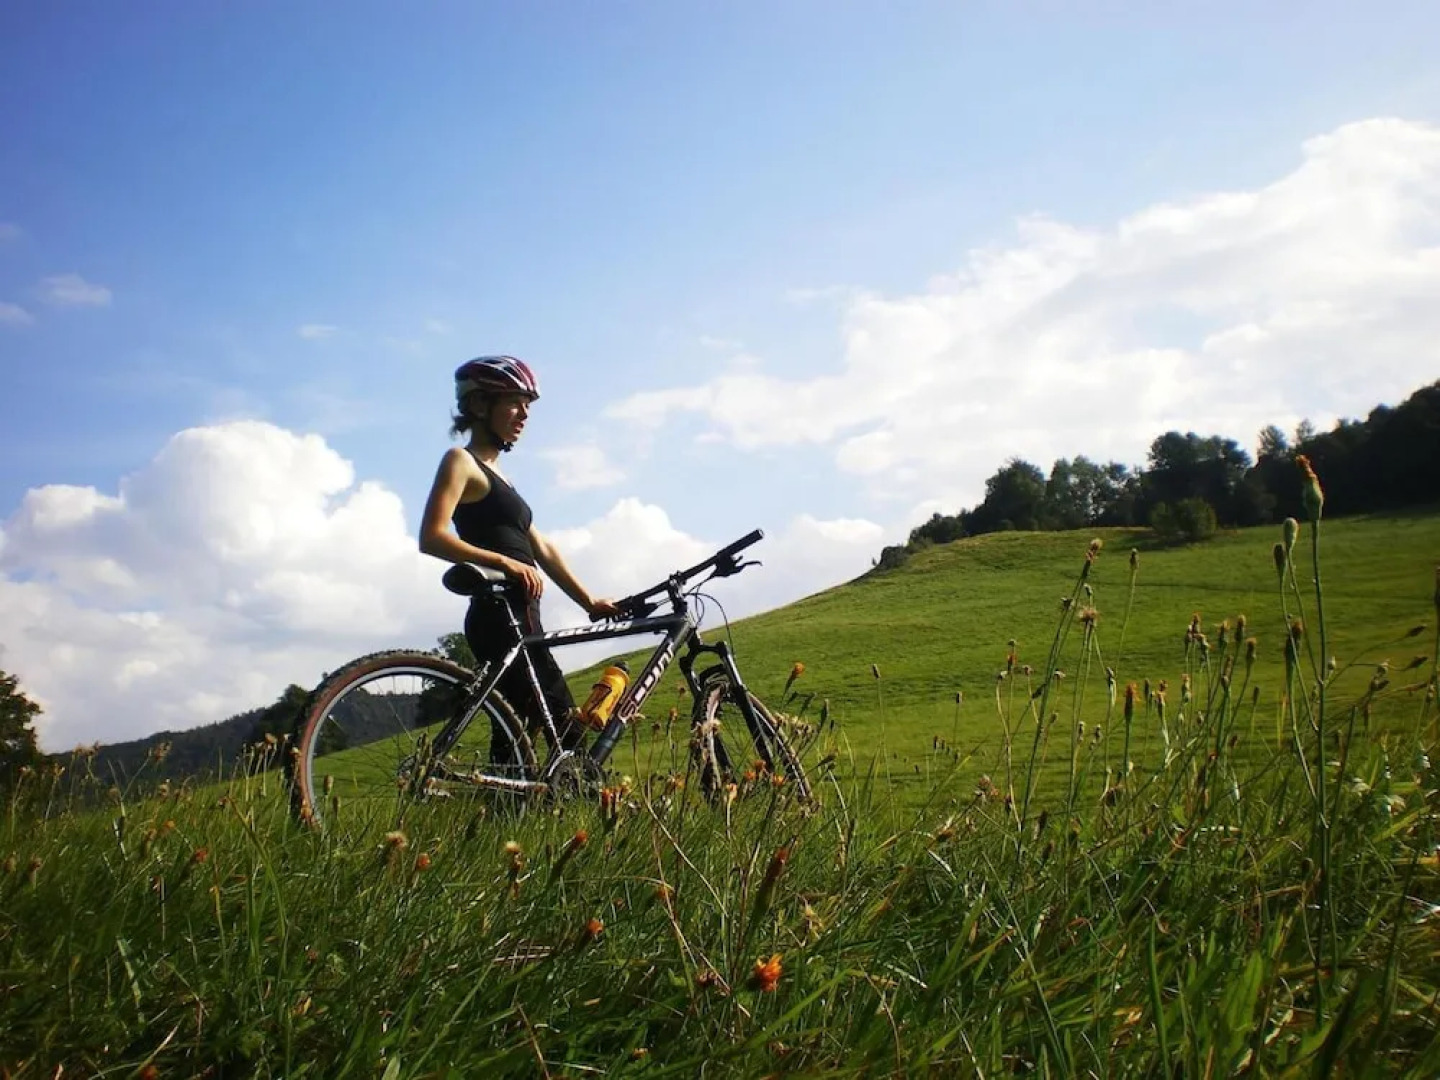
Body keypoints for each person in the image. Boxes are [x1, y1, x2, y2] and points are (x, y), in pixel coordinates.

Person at [419, 355, 619, 752]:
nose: (524, 414)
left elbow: (541, 547)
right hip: (501, 612)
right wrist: (504, 562)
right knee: (565, 727)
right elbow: (433, 537)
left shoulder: (502, 479)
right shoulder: (461, 461)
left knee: (516, 731)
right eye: (514, 401)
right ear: (479, 405)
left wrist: (589, 601)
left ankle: (505, 809)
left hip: (518, 612)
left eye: (528, 405)